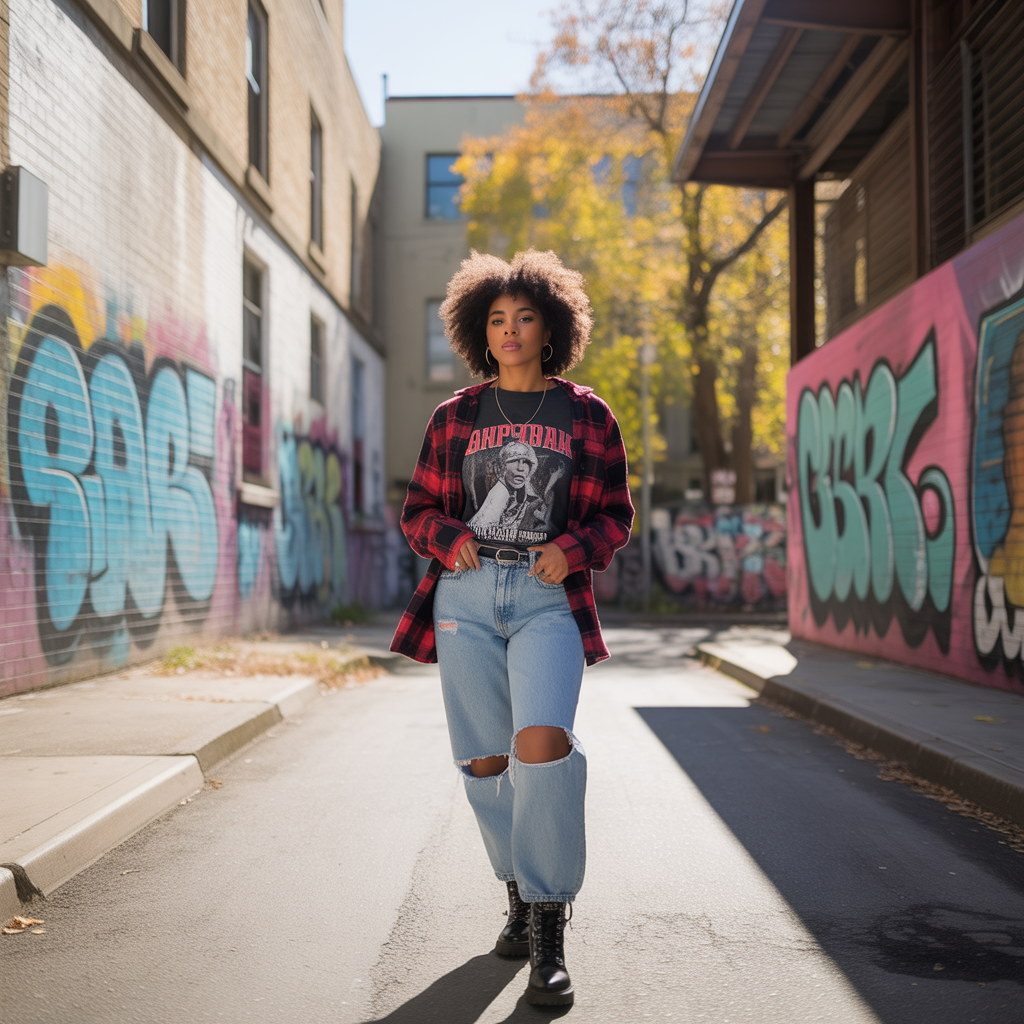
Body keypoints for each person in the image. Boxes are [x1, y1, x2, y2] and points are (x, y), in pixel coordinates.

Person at [390, 250, 634, 1007]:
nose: (511, 330)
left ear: (552, 326)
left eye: (525, 317)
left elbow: (613, 517)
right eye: (497, 319)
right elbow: (418, 511)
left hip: (544, 597)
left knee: (543, 749)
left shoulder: (588, 415)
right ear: (479, 332)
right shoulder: (454, 417)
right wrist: (445, 538)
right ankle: (518, 897)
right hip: (464, 596)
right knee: (488, 765)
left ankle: (549, 929)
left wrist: (572, 549)